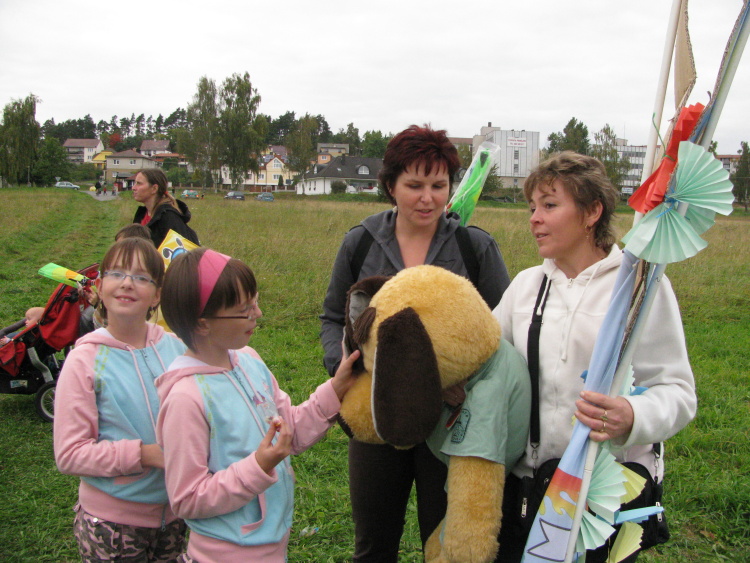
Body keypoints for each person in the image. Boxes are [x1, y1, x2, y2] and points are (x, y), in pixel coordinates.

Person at [493, 151, 697, 562]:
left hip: (602, 497)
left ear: (592, 212)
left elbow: (676, 391)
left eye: (550, 205)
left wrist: (632, 415)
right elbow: (485, 364)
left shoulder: (641, 287)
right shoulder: (525, 287)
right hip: (527, 490)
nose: (534, 218)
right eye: (532, 207)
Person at [320, 124, 511, 561]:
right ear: (391, 186)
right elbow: (332, 316)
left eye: (438, 186)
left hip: (450, 423)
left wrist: (467, 384)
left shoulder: (474, 247)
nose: (428, 198)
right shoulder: (360, 242)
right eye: (415, 185)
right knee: (373, 543)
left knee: (440, 545)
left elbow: (501, 330)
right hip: (374, 415)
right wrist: (342, 368)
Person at [157, 248, 359, 562]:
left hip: (272, 546)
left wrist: (336, 389)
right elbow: (187, 499)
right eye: (245, 309)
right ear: (202, 324)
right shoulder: (185, 399)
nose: (259, 313)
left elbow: (288, 431)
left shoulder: (249, 361)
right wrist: (258, 466)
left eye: (255, 301)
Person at [53, 237, 188, 562]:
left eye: (141, 277)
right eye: (116, 273)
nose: (127, 283)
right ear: (99, 287)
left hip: (177, 516)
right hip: (112, 526)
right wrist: (146, 455)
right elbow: (70, 455)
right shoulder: (84, 361)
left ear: (157, 295)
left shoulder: (178, 349)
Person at [132, 169, 200, 248]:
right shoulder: (142, 215)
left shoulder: (168, 217)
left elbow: (179, 251)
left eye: (139, 183)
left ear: (154, 188)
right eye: (135, 183)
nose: (133, 187)